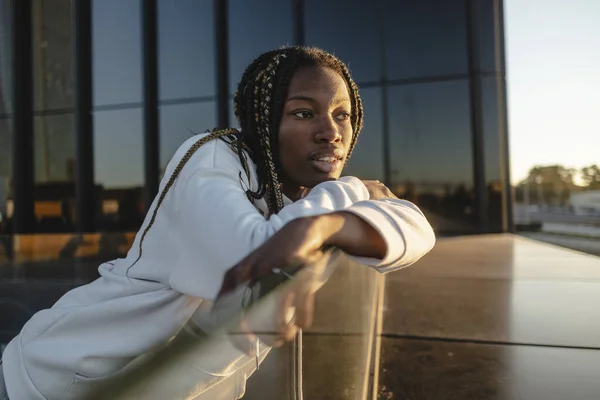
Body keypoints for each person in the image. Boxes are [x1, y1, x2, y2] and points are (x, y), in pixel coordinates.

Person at [0, 46, 435, 400]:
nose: (331, 131)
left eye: (342, 114)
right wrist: (347, 199)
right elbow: (252, 257)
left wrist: (329, 225)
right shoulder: (213, 157)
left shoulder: (312, 202)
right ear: (266, 123)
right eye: (304, 113)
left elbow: (416, 229)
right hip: (53, 377)